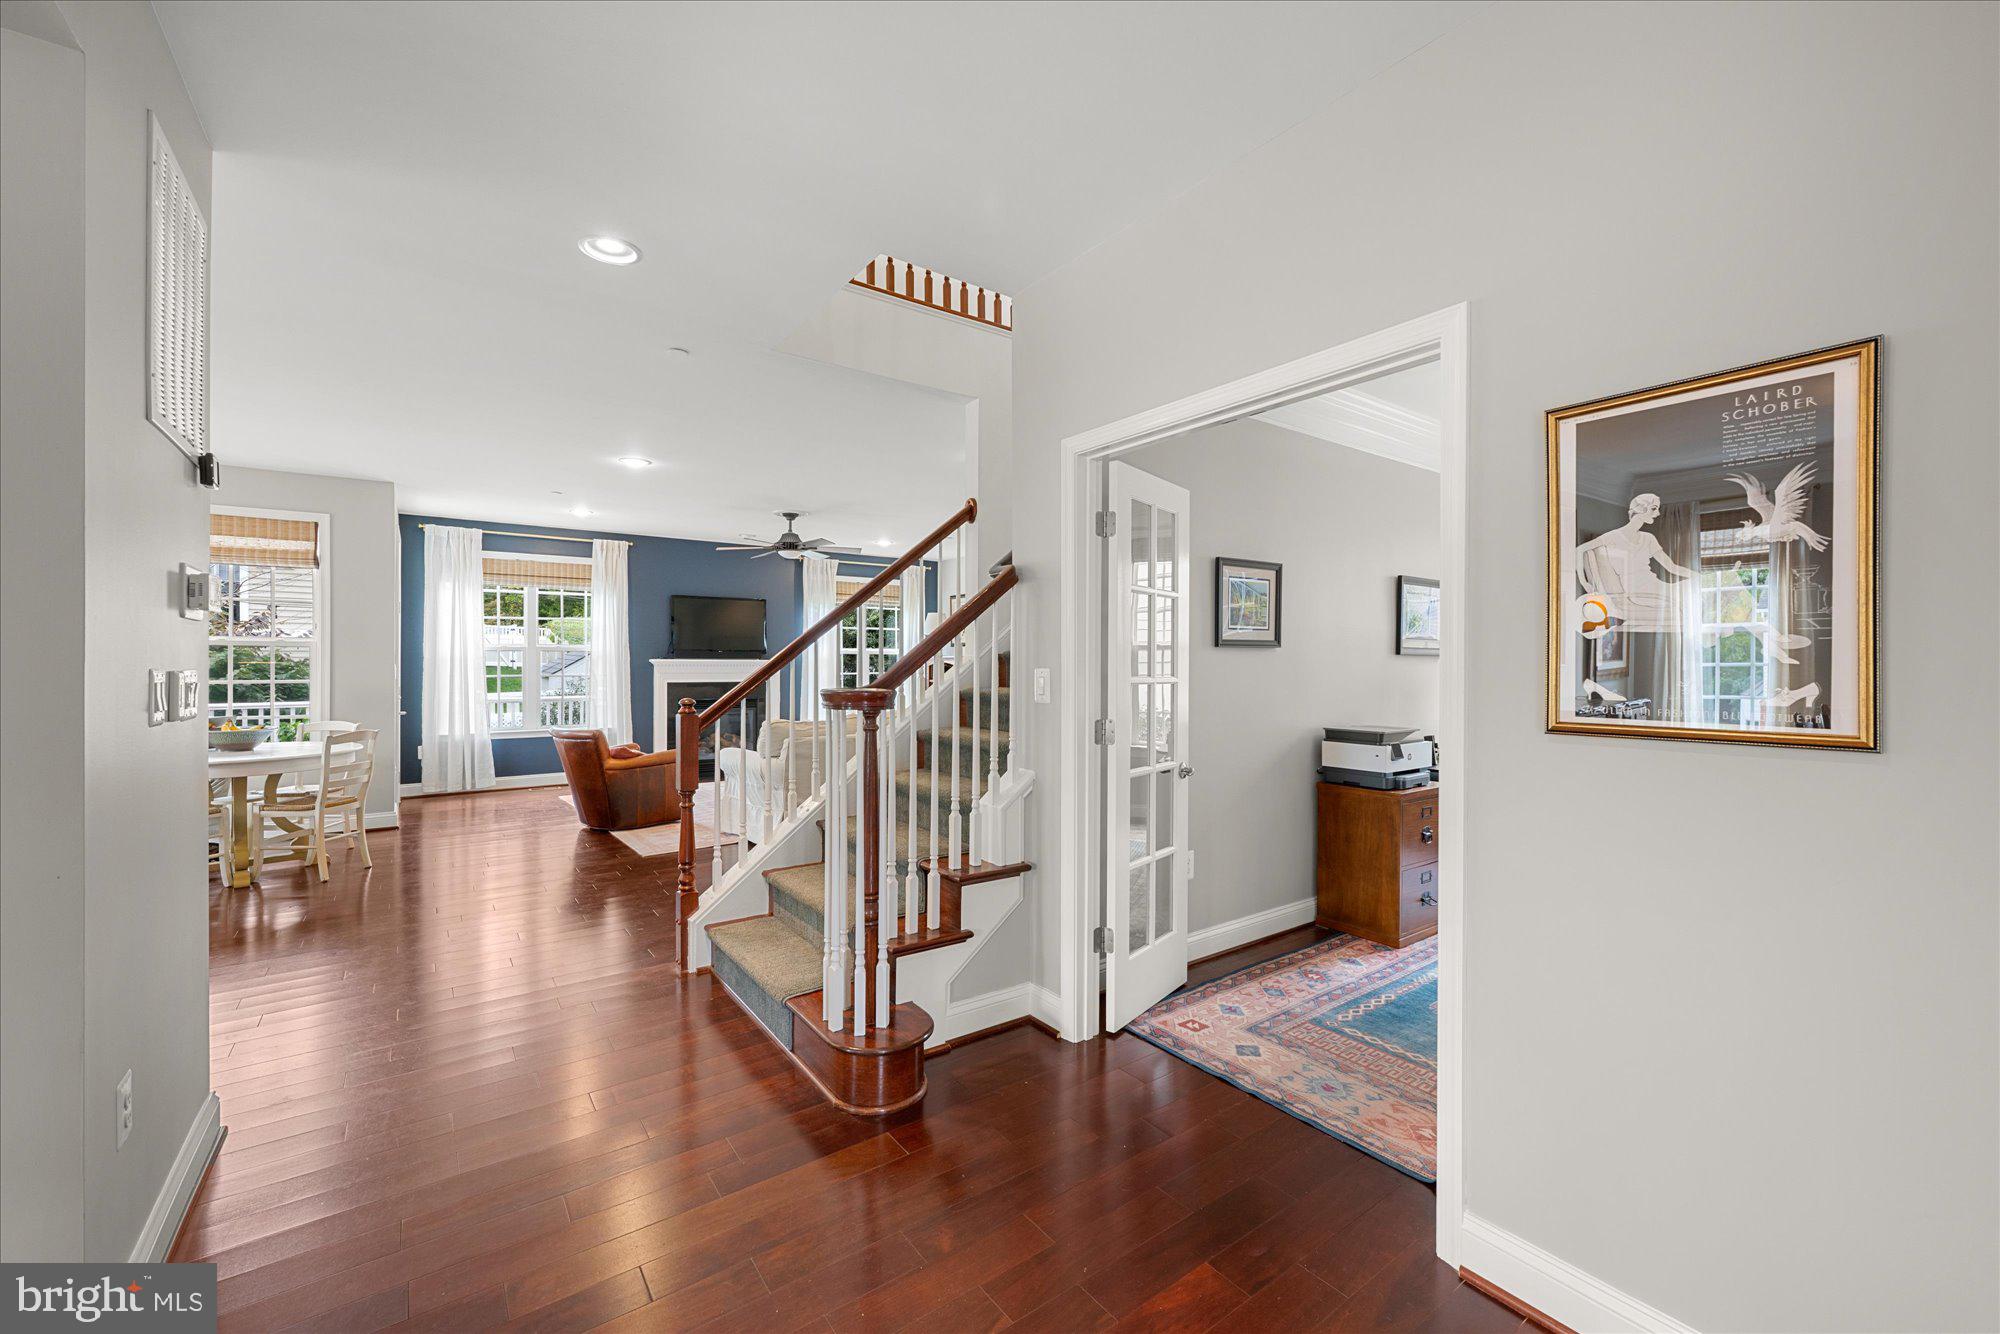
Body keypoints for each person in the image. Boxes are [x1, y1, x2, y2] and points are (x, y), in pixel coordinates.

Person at [1575, 492, 1695, 632]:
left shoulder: (1648, 538)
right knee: (1683, 605)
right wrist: (1584, 583)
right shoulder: (1613, 536)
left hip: (1653, 584)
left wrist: (1697, 576)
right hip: (1637, 590)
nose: (1657, 514)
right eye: (1653, 508)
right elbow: (1579, 550)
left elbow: (1671, 566)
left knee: (1688, 592)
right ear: (1641, 509)